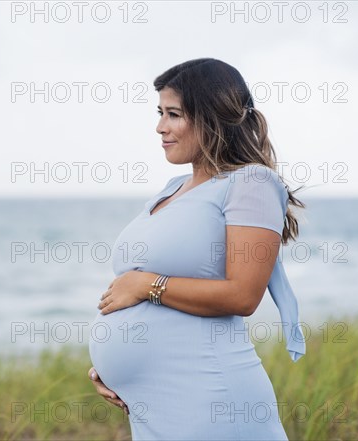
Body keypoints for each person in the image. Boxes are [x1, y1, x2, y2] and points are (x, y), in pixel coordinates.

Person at [87, 58, 307, 440]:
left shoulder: (251, 183)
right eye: (160, 113)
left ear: (211, 116)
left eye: (173, 114)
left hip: (209, 397)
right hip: (154, 406)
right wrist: (111, 366)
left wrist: (145, 285)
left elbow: (243, 296)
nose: (160, 127)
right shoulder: (172, 188)